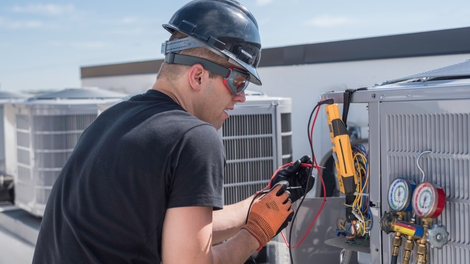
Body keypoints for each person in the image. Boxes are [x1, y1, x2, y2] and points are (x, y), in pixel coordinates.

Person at [32, 0, 314, 263]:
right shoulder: (194, 138)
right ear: (198, 76)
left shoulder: (110, 121)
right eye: (238, 82)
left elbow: (180, 231)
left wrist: (264, 200)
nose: (241, 97)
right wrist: (256, 234)